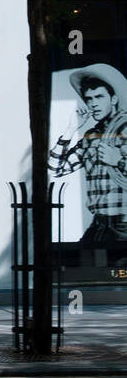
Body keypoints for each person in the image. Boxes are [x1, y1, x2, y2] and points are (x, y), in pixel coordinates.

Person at [48, 63, 127, 244]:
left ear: (113, 99)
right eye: (89, 98)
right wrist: (70, 129)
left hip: (123, 223)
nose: (93, 103)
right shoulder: (91, 136)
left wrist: (119, 161)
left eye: (99, 97)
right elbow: (55, 168)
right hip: (99, 224)